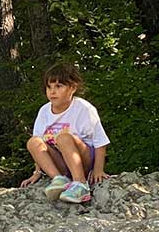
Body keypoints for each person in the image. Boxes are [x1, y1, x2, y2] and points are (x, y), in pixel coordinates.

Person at [18, 63, 109, 205]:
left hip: (83, 159)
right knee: (33, 141)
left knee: (64, 137)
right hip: (60, 161)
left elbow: (100, 142)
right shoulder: (44, 111)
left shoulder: (83, 109)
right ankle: (59, 180)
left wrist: (98, 170)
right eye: (49, 87)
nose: (52, 92)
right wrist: (37, 172)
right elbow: (39, 145)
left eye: (58, 86)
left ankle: (80, 183)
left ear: (72, 88)